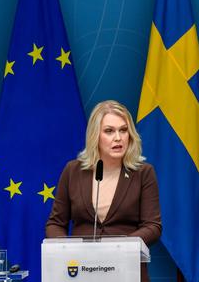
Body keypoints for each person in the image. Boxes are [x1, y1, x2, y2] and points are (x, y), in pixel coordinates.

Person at [46, 100, 162, 282]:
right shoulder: (73, 171)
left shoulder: (143, 173)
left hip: (127, 269)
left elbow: (153, 227)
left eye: (123, 130)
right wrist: (68, 250)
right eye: (109, 131)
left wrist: (119, 248)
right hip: (80, 270)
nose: (118, 138)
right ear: (95, 136)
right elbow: (55, 224)